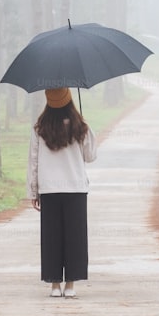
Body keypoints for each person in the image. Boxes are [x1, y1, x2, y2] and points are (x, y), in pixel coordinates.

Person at [27, 87, 97, 298]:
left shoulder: (39, 128)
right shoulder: (79, 127)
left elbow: (34, 161)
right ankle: (71, 286)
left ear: (49, 103)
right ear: (69, 101)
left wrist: (33, 191)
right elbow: (90, 156)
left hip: (49, 189)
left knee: (51, 238)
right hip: (75, 188)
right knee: (75, 238)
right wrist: (87, 129)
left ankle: (55, 285)